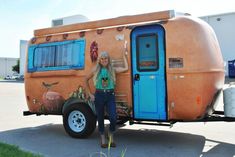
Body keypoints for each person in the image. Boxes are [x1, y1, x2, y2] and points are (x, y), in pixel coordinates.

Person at [85, 42, 128, 148]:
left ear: (108, 60)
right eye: (102, 59)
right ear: (99, 60)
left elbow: (125, 68)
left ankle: (111, 134)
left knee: (113, 117)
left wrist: (124, 56)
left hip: (110, 95)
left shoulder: (112, 70)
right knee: (100, 117)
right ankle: (103, 138)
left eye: (106, 59)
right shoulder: (96, 70)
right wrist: (90, 94)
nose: (104, 60)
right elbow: (85, 79)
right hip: (99, 95)